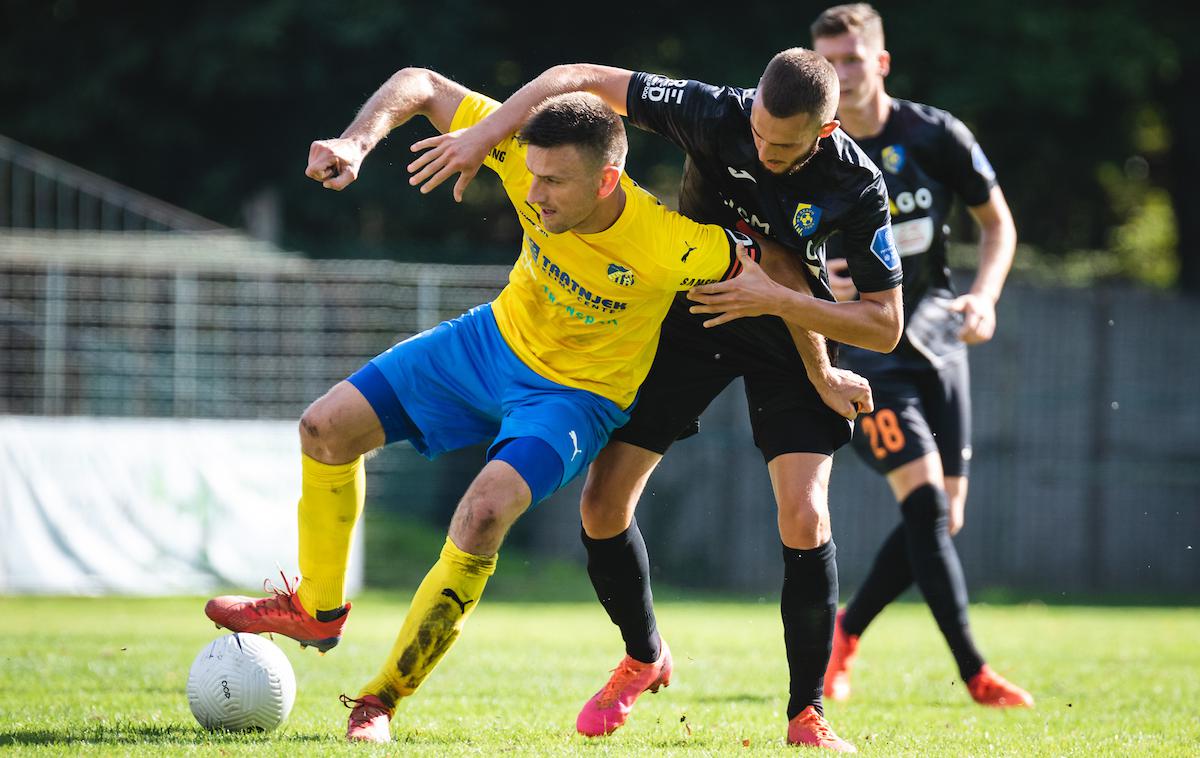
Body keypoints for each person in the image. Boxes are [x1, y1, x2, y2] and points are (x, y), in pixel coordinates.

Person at [202, 66, 845, 743]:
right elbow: (419, 83)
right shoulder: (517, 153)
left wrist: (823, 373)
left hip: (575, 399)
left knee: (483, 512)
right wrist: (358, 143)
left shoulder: (666, 241)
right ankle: (318, 609)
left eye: (554, 183)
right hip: (489, 344)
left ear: (606, 180)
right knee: (323, 429)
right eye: (530, 176)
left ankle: (380, 700)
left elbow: (775, 262)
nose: (533, 194)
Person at [408, 48, 904, 751]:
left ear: (823, 133)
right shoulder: (713, 111)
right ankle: (644, 656)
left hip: (793, 330)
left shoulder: (856, 183)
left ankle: (806, 714)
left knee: (804, 513)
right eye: (758, 132)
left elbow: (886, 324)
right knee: (602, 506)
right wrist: (489, 134)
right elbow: (573, 77)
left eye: (782, 145)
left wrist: (800, 339)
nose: (762, 150)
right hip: (695, 309)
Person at [811, 4, 1033, 708]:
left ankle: (844, 634)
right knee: (929, 507)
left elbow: (998, 224)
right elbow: (780, 240)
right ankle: (975, 672)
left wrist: (986, 297)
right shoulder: (809, 146)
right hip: (868, 345)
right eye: (827, 63)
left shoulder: (935, 134)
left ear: (879, 63)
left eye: (850, 60)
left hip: (938, 335)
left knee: (942, 518)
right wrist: (823, 273)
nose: (839, 76)